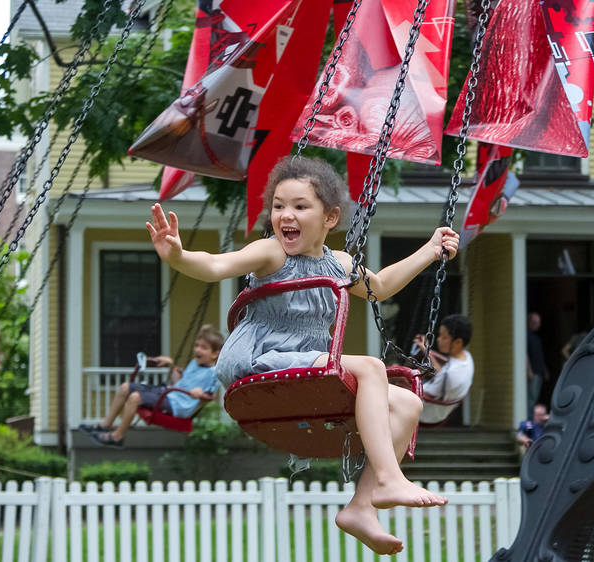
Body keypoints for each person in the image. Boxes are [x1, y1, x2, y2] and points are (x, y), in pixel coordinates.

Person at [146, 156, 456, 555]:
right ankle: (389, 477)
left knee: (409, 404)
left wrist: (431, 250)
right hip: (261, 358)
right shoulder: (271, 253)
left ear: (330, 217)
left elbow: (380, 286)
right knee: (370, 367)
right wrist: (177, 256)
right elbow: (215, 265)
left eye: (299, 206)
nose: (284, 215)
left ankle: (361, 509)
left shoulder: (340, 262)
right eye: (278, 206)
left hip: (306, 363)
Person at [81, 324, 223, 448]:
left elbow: (209, 396)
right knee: (125, 387)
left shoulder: (214, 373)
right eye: (196, 345)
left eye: (203, 348)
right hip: (168, 394)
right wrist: (170, 365)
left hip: (177, 406)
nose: (197, 350)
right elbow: (180, 382)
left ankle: (118, 436)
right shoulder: (194, 363)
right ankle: (106, 425)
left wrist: (200, 394)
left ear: (215, 354)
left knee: (135, 398)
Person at [411, 314, 474, 425]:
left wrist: (402, 379)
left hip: (426, 415)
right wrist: (426, 349)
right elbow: (442, 373)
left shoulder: (451, 375)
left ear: (458, 342)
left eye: (444, 337)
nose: (439, 339)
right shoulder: (466, 357)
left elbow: (420, 394)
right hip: (438, 406)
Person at [526, 312, 549, 415]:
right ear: (529, 322)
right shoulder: (526, 336)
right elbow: (525, 354)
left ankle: (533, 420)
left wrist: (545, 370)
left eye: (539, 322)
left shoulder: (537, 338)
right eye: (535, 322)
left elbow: (540, 355)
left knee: (535, 398)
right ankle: (529, 422)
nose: (538, 325)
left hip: (539, 372)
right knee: (531, 399)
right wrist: (529, 370)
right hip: (533, 372)